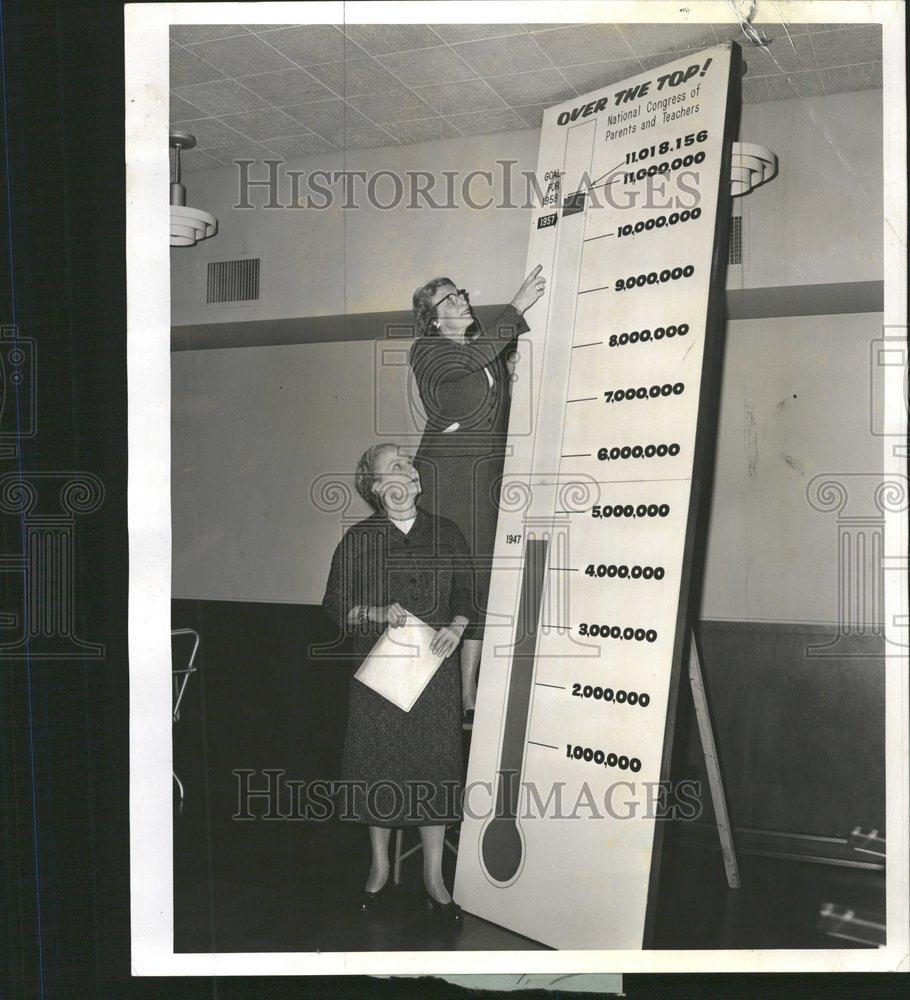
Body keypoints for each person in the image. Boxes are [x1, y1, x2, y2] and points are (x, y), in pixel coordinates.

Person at [321, 442, 474, 923]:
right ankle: (380, 867)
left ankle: (434, 877)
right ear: (374, 486)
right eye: (394, 466)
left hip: (434, 672)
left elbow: (469, 594)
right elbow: (334, 604)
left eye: (408, 465)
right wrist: (373, 612)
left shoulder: (446, 533)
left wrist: (456, 626)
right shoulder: (358, 540)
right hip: (380, 675)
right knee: (378, 765)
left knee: (434, 766)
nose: (406, 470)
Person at [409, 267, 546, 714]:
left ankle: (467, 693)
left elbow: (489, 379)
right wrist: (516, 307)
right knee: (444, 581)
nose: (461, 301)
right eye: (448, 301)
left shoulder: (481, 352)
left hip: (483, 481)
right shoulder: (427, 350)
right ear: (432, 320)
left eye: (460, 294)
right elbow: (464, 367)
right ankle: (421, 688)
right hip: (446, 482)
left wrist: (506, 368)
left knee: (480, 582)